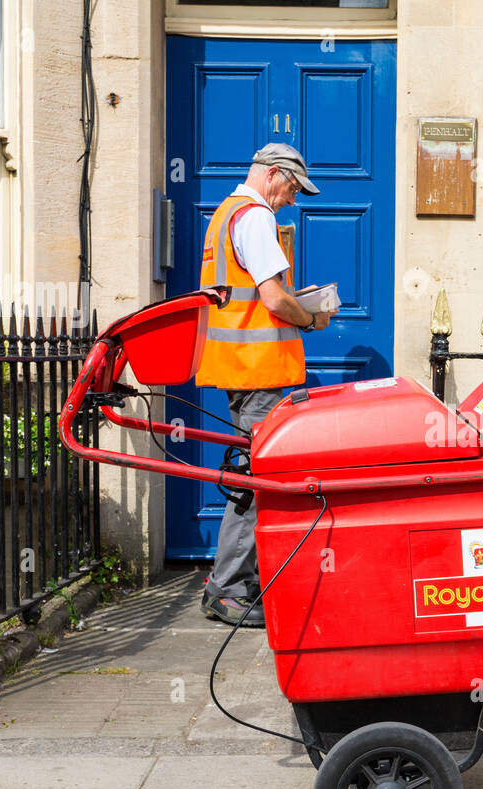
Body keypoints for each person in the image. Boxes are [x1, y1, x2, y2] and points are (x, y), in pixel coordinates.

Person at [197, 142, 336, 626]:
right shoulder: (254, 217)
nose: (293, 199)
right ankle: (228, 590)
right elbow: (274, 300)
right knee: (257, 486)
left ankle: (236, 581)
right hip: (259, 374)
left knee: (248, 482)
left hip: (242, 368)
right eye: (294, 188)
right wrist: (312, 319)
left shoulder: (226, 212)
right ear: (274, 174)